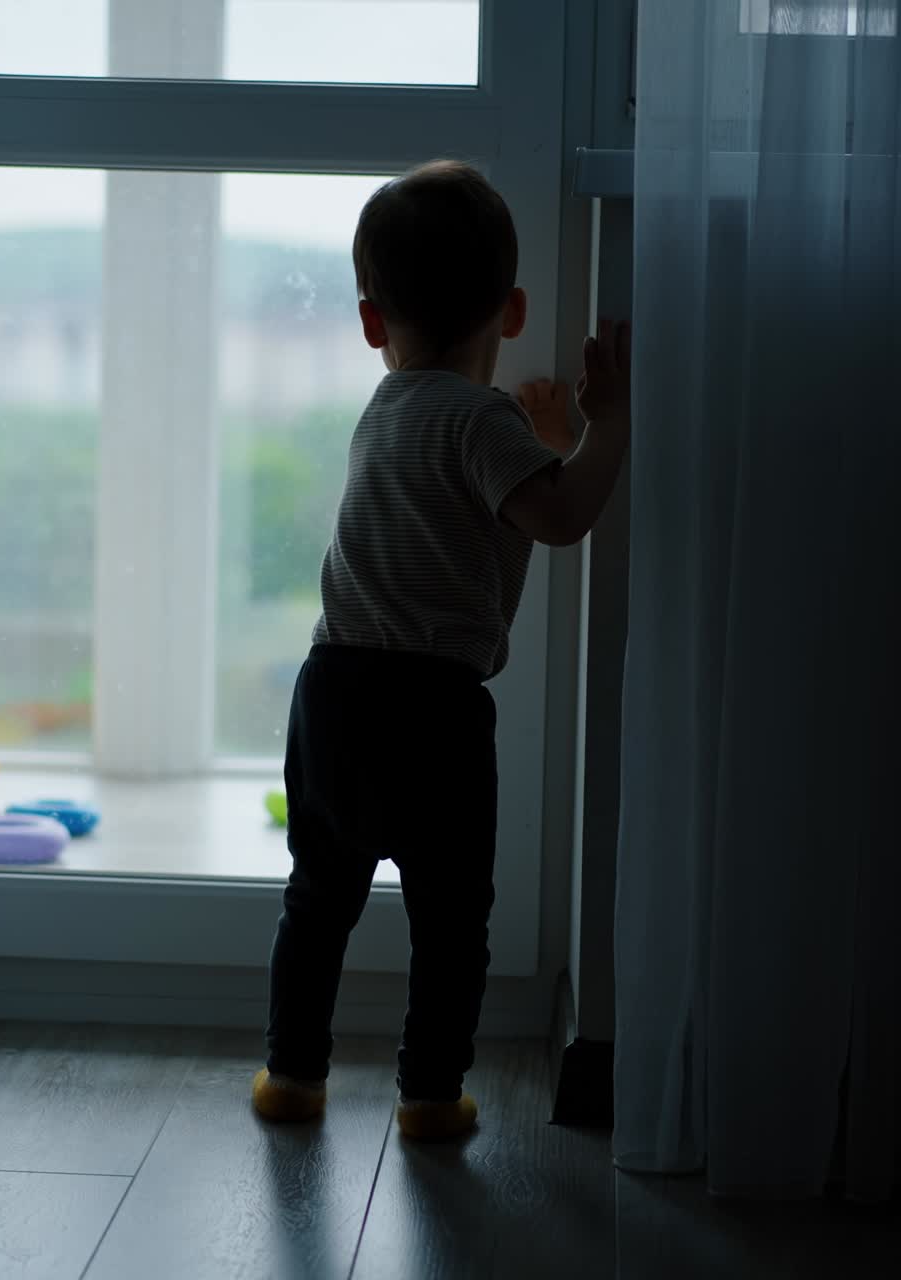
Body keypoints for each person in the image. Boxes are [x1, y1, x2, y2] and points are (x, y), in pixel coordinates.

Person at [252, 159, 631, 1141]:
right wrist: (602, 428)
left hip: (331, 688)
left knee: (318, 897)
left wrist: (537, 435)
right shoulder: (481, 418)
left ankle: (291, 1075)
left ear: (371, 323)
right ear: (512, 311)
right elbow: (557, 515)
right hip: (432, 707)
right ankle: (427, 1095)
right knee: (449, 917)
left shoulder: (385, 411)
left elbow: (469, 496)